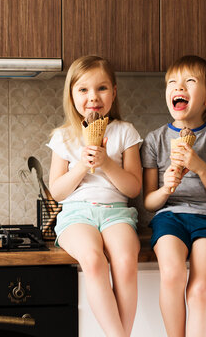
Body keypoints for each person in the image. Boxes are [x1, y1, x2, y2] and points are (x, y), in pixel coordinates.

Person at [141, 55, 206, 337]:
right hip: (169, 218)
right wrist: (165, 188)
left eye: (189, 82)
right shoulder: (155, 140)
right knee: (172, 276)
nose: (178, 87)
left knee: (199, 290)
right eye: (172, 82)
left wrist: (199, 166)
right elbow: (148, 202)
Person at [47, 55, 142, 337]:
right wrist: (82, 165)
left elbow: (134, 188)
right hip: (76, 215)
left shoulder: (125, 132)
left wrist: (107, 163)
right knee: (92, 258)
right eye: (83, 90)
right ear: (72, 95)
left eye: (102, 88)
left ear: (114, 91)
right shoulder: (63, 137)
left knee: (126, 261)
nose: (93, 97)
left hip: (117, 213)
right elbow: (57, 191)